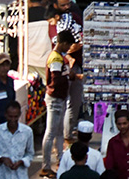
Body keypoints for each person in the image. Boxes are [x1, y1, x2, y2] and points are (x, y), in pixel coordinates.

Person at [42, 30, 75, 176]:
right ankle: (46, 165)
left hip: (59, 98)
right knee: (51, 133)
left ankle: (59, 161)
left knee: (59, 132)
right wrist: (69, 75)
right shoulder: (56, 59)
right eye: (67, 46)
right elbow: (55, 80)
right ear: (62, 43)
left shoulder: (59, 57)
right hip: (55, 98)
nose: (68, 49)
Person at [0, 101, 33, 179]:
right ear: (5, 115)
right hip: (1, 175)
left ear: (19, 115)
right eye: (10, 116)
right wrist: (2, 159)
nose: (13, 119)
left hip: (20, 175)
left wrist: (21, 161)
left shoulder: (27, 132)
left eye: (15, 117)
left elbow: (30, 154)